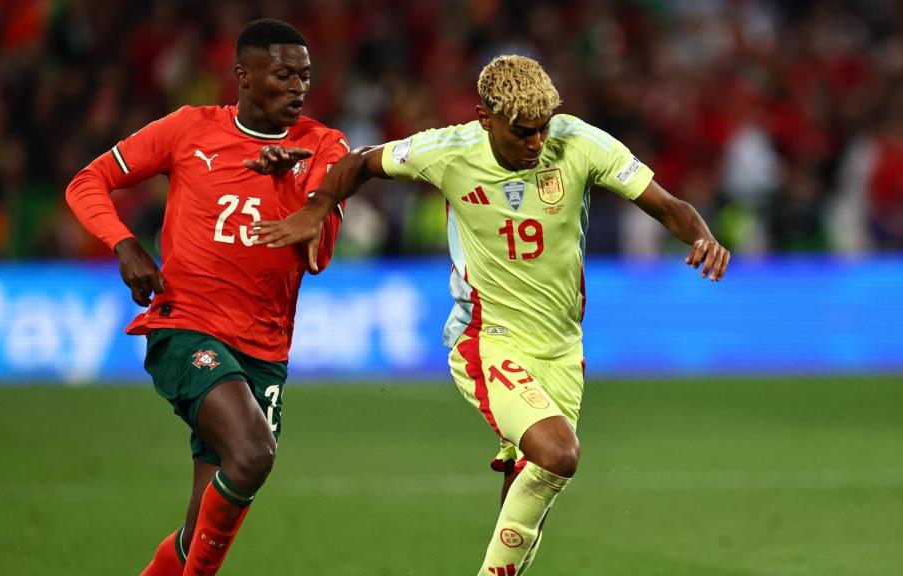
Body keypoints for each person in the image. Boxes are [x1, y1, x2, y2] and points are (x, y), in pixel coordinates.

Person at [252, 54, 730, 575]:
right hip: (487, 337)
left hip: (563, 348)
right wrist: (315, 209)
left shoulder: (580, 143)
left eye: (543, 129)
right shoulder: (448, 150)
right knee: (558, 454)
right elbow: (360, 162)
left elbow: (666, 206)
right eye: (523, 132)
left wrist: (702, 235)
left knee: (533, 483)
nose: (537, 143)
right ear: (485, 117)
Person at [65, 18, 348, 576]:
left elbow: (320, 256)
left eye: (305, 77)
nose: (298, 87)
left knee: (201, 530)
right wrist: (124, 244)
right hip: (185, 325)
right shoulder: (188, 129)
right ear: (243, 75)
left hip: (263, 350)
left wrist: (284, 184)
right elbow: (87, 182)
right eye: (283, 74)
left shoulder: (323, 146)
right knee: (253, 453)